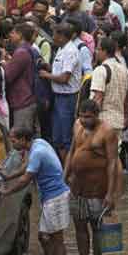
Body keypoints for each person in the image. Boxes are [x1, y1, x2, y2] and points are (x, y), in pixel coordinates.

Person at [1, 126, 69, 255]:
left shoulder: (37, 152)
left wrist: (7, 191)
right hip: (50, 197)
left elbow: (26, 179)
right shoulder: (38, 143)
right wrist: (9, 175)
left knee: (57, 240)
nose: (12, 144)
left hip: (56, 197)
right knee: (43, 237)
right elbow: (27, 166)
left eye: (13, 141)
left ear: (23, 140)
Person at [63, 99, 117, 255]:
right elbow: (72, 151)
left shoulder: (107, 132)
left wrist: (110, 194)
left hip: (97, 190)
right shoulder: (77, 125)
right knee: (79, 228)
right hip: (77, 189)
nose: (85, 120)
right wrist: (64, 177)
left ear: (97, 115)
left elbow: (113, 163)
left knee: (98, 229)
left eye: (89, 117)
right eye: (82, 117)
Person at [40, 22, 81, 161]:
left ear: (62, 36)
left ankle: (69, 171)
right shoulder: (61, 49)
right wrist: (49, 68)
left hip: (67, 99)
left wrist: (47, 76)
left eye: (55, 34)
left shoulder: (70, 51)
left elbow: (64, 78)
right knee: (57, 137)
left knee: (65, 137)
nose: (53, 37)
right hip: (58, 97)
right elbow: (59, 70)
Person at [4, 22, 37, 131]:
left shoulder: (21, 53)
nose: (10, 35)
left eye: (13, 33)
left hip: (22, 101)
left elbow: (8, 76)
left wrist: (4, 64)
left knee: (21, 138)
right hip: (27, 98)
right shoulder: (28, 49)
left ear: (20, 36)